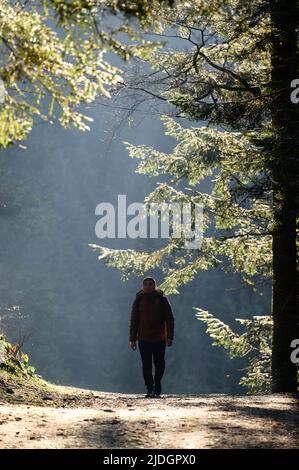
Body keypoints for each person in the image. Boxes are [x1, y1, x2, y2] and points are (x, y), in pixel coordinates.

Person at [129, 276, 175, 398]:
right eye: (146, 284)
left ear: (154, 286)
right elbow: (134, 320)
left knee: (160, 364)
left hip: (159, 338)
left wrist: (170, 336)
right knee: (146, 365)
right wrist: (132, 339)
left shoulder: (162, 299)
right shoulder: (138, 300)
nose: (148, 286)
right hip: (143, 339)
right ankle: (150, 388)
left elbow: (169, 318)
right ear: (142, 287)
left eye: (151, 284)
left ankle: (157, 385)